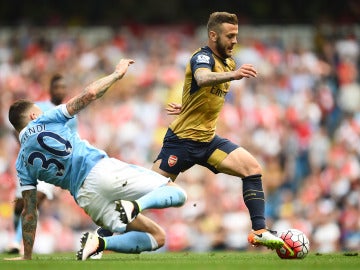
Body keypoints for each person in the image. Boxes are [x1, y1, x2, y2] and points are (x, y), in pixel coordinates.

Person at [5, 58, 187, 261]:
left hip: (86, 197)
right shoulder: (46, 119)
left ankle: (100, 243)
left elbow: (29, 212)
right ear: (32, 116)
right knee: (177, 193)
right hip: (99, 170)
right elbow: (89, 94)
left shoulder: (21, 163)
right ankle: (136, 205)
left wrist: (27, 255)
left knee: (158, 237)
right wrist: (117, 75)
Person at [151, 12, 284, 250]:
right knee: (147, 190)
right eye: (230, 36)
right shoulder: (202, 57)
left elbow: (202, 94)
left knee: (252, 169)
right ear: (213, 35)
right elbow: (201, 79)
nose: (234, 40)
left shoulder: (228, 61)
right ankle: (101, 236)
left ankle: (260, 231)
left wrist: (187, 105)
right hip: (181, 142)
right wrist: (235, 75)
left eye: (236, 35)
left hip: (208, 142)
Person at [5, 74, 77, 255]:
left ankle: (17, 242)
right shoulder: (37, 108)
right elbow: (18, 130)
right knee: (20, 205)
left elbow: (72, 140)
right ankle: (17, 236)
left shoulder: (70, 114)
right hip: (31, 161)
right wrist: (27, 146)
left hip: (53, 164)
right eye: (57, 87)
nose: (61, 90)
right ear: (51, 88)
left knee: (36, 200)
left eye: (63, 87)